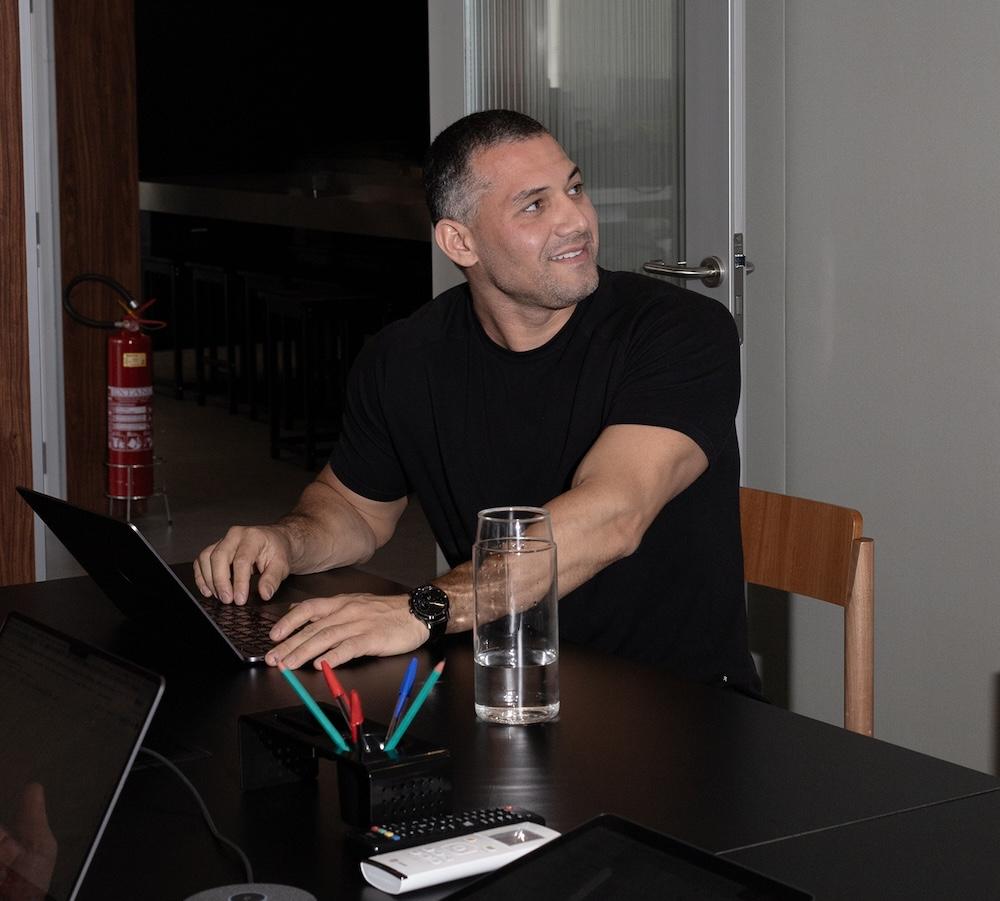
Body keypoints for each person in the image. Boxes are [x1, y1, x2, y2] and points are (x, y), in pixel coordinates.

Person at [195, 109, 760, 694]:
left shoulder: (679, 331)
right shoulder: (406, 356)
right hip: (500, 687)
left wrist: (425, 608)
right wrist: (286, 541)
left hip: (680, 710)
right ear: (459, 240)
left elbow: (614, 513)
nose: (578, 220)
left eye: (575, 188)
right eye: (535, 205)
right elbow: (355, 509)